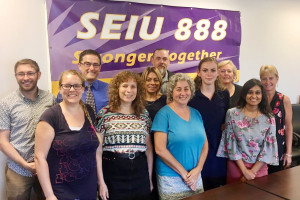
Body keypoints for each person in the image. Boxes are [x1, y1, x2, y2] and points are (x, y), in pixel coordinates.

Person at [35, 70, 101, 200]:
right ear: (60, 88)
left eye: (76, 86)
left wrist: (100, 183)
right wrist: (49, 195)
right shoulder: (51, 116)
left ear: (83, 89)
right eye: (67, 85)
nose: (72, 89)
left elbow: (95, 149)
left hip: (88, 188)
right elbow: (39, 157)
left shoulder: (89, 111)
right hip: (61, 190)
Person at [0, 59, 55, 199]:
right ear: (16, 76)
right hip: (18, 169)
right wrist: (24, 164)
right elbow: (3, 141)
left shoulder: (50, 99)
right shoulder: (6, 104)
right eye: (21, 74)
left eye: (30, 73)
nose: (26, 78)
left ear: (39, 74)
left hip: (46, 166)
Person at [96, 71, 153, 200]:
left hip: (140, 172)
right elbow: (98, 150)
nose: (129, 90)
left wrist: (149, 179)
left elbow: (149, 150)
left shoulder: (144, 114)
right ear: (117, 88)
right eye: (125, 86)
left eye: (133, 86)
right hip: (113, 172)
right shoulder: (104, 113)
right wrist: (101, 183)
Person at [151, 73, 208, 200]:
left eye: (186, 89)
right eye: (178, 89)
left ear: (191, 91)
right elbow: (160, 149)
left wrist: (198, 169)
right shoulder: (163, 114)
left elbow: (205, 145)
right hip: (171, 179)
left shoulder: (196, 113)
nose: (183, 93)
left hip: (195, 176)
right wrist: (184, 174)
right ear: (171, 92)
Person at [217, 78, 279, 183]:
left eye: (257, 93)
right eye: (249, 92)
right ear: (244, 94)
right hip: (236, 166)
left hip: (259, 168)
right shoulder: (232, 113)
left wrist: (252, 172)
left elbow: (268, 149)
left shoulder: (269, 118)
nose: (254, 96)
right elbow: (231, 144)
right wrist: (245, 171)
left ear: (262, 95)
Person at [188, 57, 229, 191]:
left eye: (213, 70)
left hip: (219, 149)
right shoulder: (191, 96)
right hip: (198, 148)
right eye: (205, 70)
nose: (209, 74)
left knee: (218, 189)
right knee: (200, 188)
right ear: (199, 72)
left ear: (218, 73)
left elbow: (225, 122)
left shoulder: (224, 94)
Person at [260, 65, 293, 173]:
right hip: (259, 149)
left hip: (278, 148)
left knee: (276, 184)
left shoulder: (284, 99)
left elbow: (288, 127)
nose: (267, 82)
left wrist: (288, 153)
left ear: (277, 79)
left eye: (271, 78)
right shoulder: (257, 99)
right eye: (264, 78)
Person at [57, 49, 108, 116]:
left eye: (95, 65)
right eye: (87, 64)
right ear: (79, 66)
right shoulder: (66, 91)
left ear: (100, 67)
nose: (92, 68)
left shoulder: (110, 90)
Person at [141, 67, 167, 200]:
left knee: (159, 185)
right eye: (148, 79)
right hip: (142, 150)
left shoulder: (166, 100)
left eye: (156, 80)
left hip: (162, 149)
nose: (152, 83)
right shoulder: (137, 100)